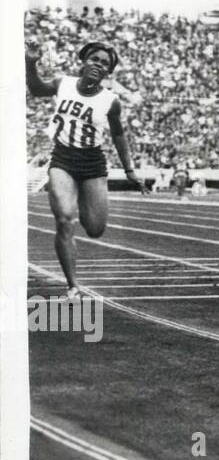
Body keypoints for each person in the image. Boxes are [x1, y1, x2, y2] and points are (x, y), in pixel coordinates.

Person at [25, 40, 148, 297]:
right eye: (95, 59)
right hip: (63, 160)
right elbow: (36, 90)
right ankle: (72, 285)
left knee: (95, 229)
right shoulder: (64, 83)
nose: (98, 65)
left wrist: (129, 171)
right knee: (64, 220)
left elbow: (119, 136)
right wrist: (30, 62)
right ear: (84, 61)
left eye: (105, 63)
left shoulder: (111, 101)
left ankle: (82, 199)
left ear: (108, 72)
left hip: (92, 164)